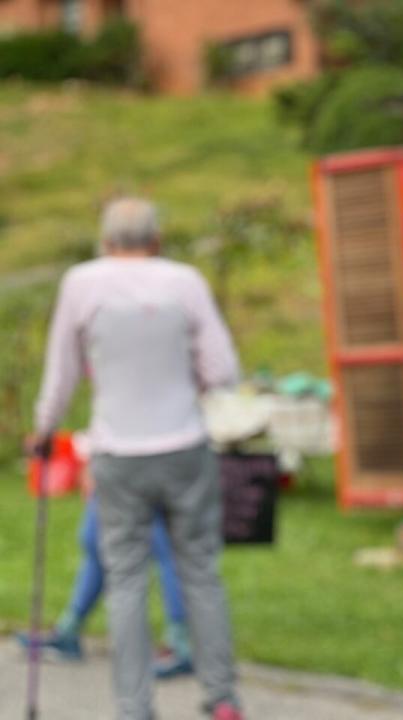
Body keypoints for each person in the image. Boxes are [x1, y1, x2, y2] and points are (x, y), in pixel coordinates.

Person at [31, 197, 245, 720]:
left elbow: (61, 372)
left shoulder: (82, 283)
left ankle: (135, 708)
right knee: (200, 571)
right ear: (156, 240)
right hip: (183, 448)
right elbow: (222, 371)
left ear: (106, 243)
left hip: (118, 454)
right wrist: (183, 379)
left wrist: (44, 429)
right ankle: (220, 698)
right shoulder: (185, 281)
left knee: (125, 578)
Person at [19, 451, 193, 678]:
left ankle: (180, 643)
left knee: (163, 544)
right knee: (96, 538)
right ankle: (68, 631)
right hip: (114, 455)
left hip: (150, 453)